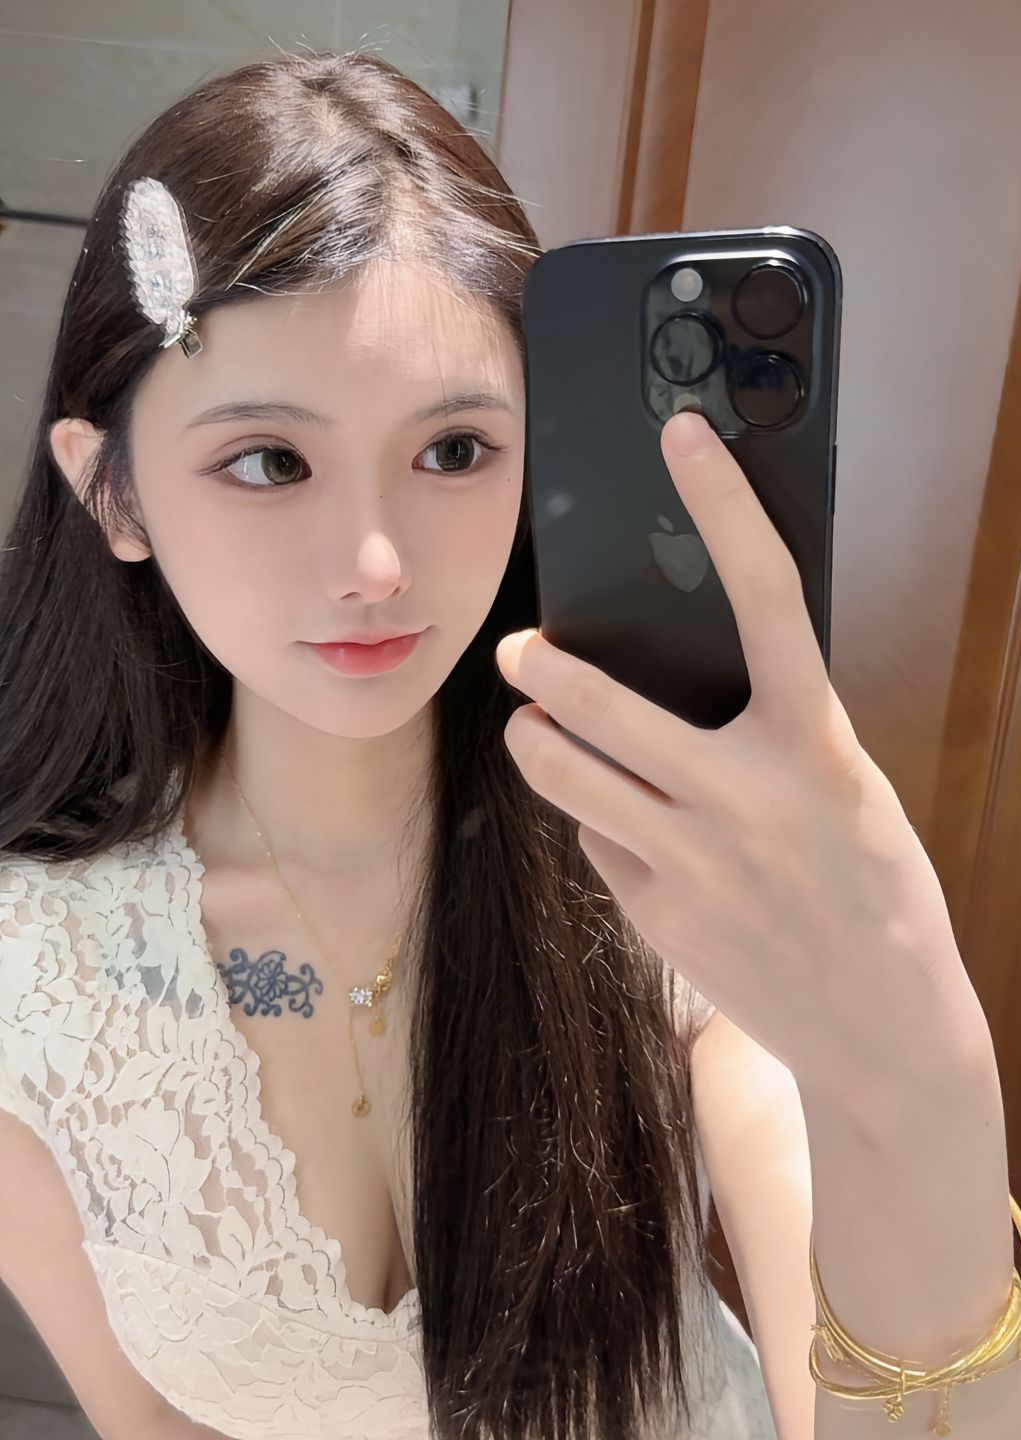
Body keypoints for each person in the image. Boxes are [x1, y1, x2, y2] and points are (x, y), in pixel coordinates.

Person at [0, 50, 778, 1440]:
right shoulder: (30, 983)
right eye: (268, 460)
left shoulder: (649, 850)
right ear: (110, 492)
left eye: (456, 451)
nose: (374, 564)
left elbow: (866, 1374)